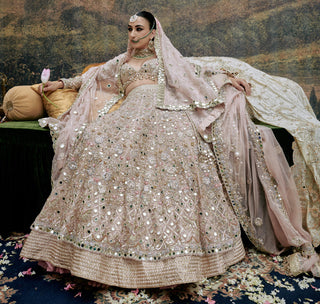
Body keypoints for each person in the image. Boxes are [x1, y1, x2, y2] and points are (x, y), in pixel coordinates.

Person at [21, 11, 320, 288]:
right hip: (127, 114)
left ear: (153, 33)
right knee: (94, 141)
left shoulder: (166, 58)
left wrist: (228, 78)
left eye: (139, 29)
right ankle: (91, 247)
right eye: (129, 29)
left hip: (165, 111)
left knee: (174, 149)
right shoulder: (120, 62)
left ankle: (179, 254)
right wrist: (59, 83)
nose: (132, 34)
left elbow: (198, 72)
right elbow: (90, 78)